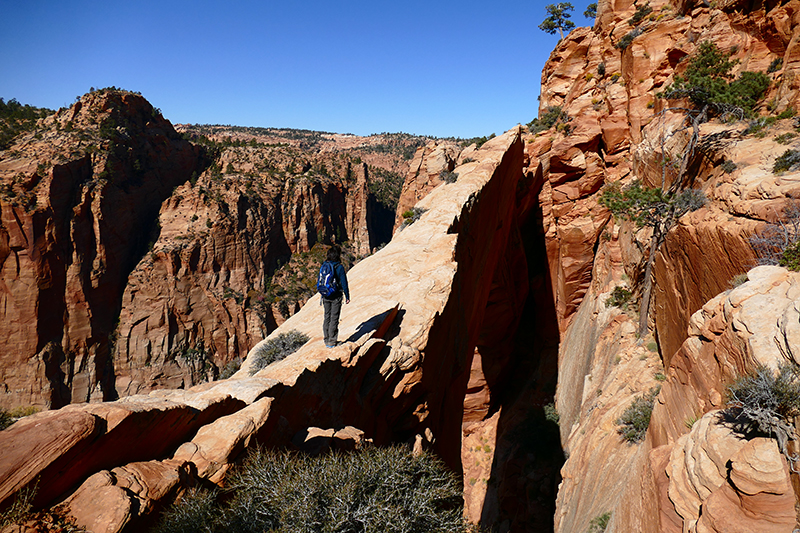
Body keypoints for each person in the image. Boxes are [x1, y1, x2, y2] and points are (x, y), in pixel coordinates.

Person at [320, 245, 350, 348]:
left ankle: (326, 339)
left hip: (325, 295)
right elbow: (344, 282)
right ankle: (332, 342)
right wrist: (347, 296)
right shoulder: (339, 267)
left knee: (326, 317)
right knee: (334, 318)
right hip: (336, 296)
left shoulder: (325, 265)